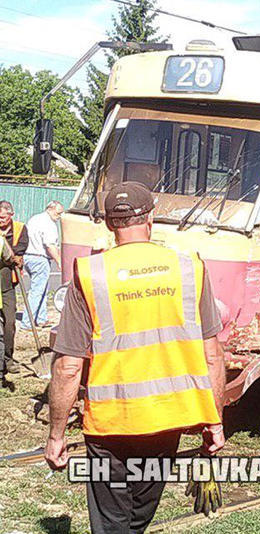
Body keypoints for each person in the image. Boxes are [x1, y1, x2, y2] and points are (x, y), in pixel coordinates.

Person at [44, 182, 226, 533]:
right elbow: (213, 356)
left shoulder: (90, 273)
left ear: (110, 225)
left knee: (112, 520)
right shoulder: (189, 267)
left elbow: (68, 366)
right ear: (151, 219)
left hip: (110, 423)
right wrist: (214, 421)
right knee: (139, 514)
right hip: (167, 418)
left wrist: (56, 434)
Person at [20, 201, 64, 330]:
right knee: (37, 291)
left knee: (42, 289)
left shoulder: (35, 219)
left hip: (28, 256)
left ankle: (41, 318)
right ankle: (27, 323)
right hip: (40, 258)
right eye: (58, 213)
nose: (59, 216)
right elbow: (50, 245)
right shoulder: (49, 224)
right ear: (50, 209)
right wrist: (59, 261)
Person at [0, 200, 28, 376]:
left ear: (11, 215)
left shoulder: (19, 228)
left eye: (2, 217)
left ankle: (8, 359)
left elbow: (21, 247)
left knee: (9, 323)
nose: (0, 220)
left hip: (8, 282)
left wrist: (8, 251)